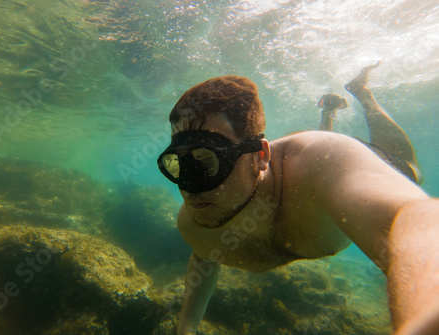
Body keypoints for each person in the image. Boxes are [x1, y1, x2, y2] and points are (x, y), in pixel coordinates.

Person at [157, 64, 439, 335]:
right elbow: (205, 256)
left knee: (411, 170)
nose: (190, 187)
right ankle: (327, 113)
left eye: (207, 161)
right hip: (303, 166)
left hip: (344, 160)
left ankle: (364, 95)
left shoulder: (321, 166)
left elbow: (413, 220)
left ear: (259, 157)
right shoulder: (196, 223)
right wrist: (187, 328)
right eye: (180, 165)